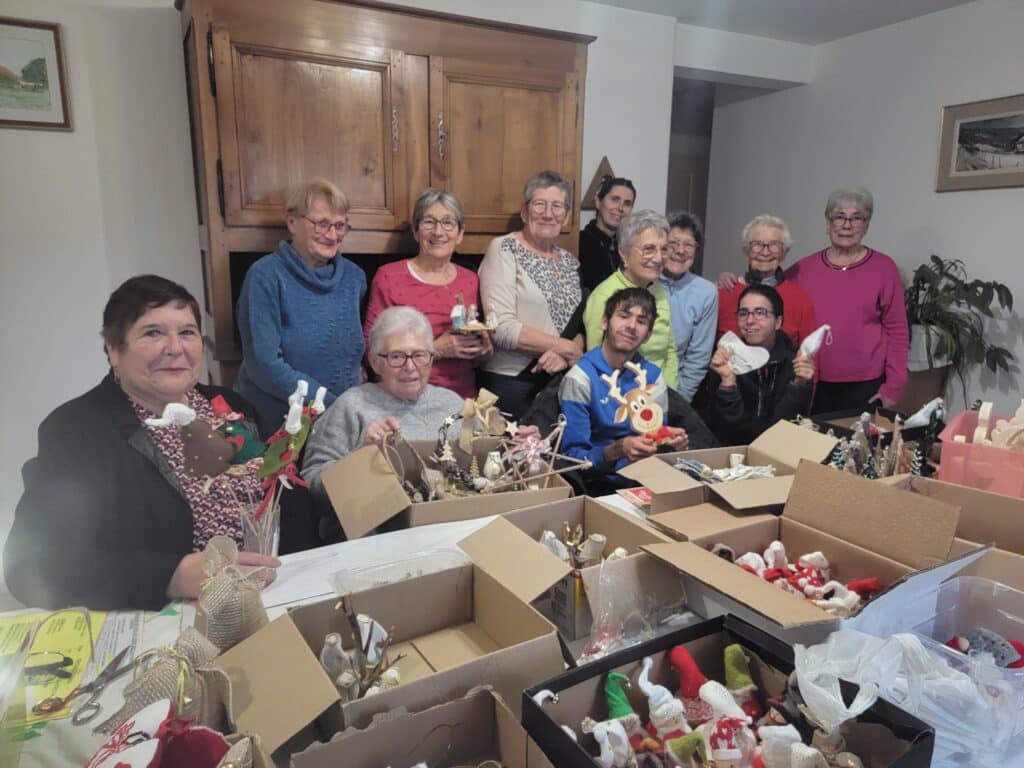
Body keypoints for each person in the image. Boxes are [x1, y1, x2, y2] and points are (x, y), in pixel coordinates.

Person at [4, 275, 281, 610]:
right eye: (153, 333)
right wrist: (171, 575)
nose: (175, 348)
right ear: (113, 350)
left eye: (187, 332)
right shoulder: (76, 430)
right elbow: (31, 565)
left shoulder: (233, 406)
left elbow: (282, 493)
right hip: (176, 617)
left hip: (276, 594)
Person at [234, 178, 366, 435]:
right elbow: (263, 365)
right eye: (322, 223)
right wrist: (333, 407)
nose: (333, 234)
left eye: (340, 225)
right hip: (279, 426)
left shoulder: (355, 278)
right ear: (292, 222)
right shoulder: (265, 276)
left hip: (339, 424)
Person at [301, 306, 465, 500]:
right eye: (396, 357)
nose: (410, 367)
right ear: (375, 362)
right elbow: (311, 481)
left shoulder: (453, 404)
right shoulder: (352, 405)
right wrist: (363, 457)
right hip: (375, 517)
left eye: (419, 355)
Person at [787, 187, 909, 412]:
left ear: (867, 225)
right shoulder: (802, 269)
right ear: (828, 223)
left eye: (857, 218)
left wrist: (894, 386)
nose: (847, 225)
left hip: (866, 384)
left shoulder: (884, 268)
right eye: (839, 217)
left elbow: (898, 330)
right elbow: (769, 299)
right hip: (812, 381)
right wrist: (734, 281)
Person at [364, 189, 491, 399]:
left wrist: (483, 352)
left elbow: (475, 359)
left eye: (448, 222)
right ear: (415, 231)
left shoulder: (471, 280)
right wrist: (437, 349)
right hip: (406, 399)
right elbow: (371, 351)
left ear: (460, 233)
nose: (438, 232)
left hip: (462, 399)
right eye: (429, 222)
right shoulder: (389, 277)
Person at [478, 170, 584, 419]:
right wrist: (566, 348)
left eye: (557, 206)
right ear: (525, 211)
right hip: (511, 384)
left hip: (558, 383)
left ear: (566, 215)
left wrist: (566, 354)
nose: (548, 213)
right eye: (539, 204)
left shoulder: (571, 262)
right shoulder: (504, 249)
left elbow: (581, 325)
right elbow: (500, 327)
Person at [561, 287, 688, 493]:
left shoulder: (653, 377)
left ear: (647, 335)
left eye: (641, 321)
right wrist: (617, 450)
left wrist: (670, 442)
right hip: (597, 485)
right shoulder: (580, 378)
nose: (631, 326)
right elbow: (572, 459)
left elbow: (655, 437)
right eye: (624, 316)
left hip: (644, 481)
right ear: (604, 322)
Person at [703, 285, 814, 445]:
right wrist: (728, 384)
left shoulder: (794, 364)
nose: (749, 321)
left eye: (760, 313)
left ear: (778, 322)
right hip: (734, 453)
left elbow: (789, 427)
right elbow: (723, 429)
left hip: (778, 449)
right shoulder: (724, 361)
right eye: (743, 313)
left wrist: (799, 385)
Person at [583, 210, 679, 388]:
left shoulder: (658, 290)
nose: (658, 258)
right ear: (624, 253)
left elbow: (670, 350)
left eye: (664, 249)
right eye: (649, 249)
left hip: (659, 390)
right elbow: (597, 363)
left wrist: (667, 392)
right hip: (622, 394)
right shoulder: (605, 295)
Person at [716, 214, 816, 348]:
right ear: (746, 250)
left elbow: (809, 355)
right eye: (757, 245)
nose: (765, 252)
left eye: (774, 245)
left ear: (784, 252)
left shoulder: (799, 299)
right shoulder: (724, 293)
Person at [658, 211, 718, 402]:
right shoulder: (645, 281)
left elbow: (698, 356)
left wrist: (678, 401)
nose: (680, 250)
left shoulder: (706, 292)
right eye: (673, 243)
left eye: (689, 244)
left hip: (678, 390)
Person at [578, 175, 636, 292]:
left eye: (627, 203)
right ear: (598, 202)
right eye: (615, 199)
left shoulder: (630, 248)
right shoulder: (579, 242)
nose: (620, 208)